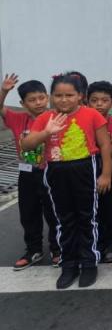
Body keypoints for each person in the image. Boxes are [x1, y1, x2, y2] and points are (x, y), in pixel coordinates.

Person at [22, 73, 112, 289]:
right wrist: (46, 132)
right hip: (56, 171)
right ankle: (69, 264)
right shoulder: (46, 118)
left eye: (69, 95)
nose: (63, 100)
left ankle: (89, 263)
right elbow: (27, 145)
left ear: (80, 96)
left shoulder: (91, 115)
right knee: (64, 219)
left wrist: (106, 174)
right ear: (52, 97)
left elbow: (105, 146)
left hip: (84, 169)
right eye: (58, 95)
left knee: (87, 217)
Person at [0, 75, 59, 270]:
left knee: (54, 213)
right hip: (27, 174)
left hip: (51, 172)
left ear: (48, 97)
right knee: (28, 214)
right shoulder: (18, 119)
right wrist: (4, 91)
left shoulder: (56, 117)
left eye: (41, 98)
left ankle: (57, 249)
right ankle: (33, 249)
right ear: (22, 103)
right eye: (32, 100)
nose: (38, 103)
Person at [87, 81, 112, 263]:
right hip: (88, 175)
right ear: (87, 102)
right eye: (94, 100)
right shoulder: (82, 122)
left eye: (104, 100)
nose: (99, 104)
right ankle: (98, 241)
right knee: (94, 211)